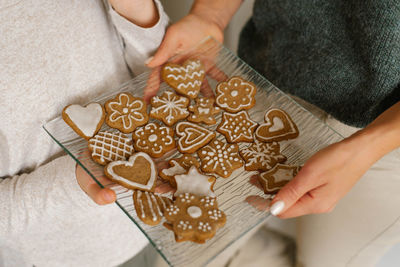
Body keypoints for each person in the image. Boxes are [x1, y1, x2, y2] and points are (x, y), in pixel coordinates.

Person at [146, 0, 400, 266]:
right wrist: (210, 15)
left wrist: (369, 146)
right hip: (266, 88)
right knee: (186, 249)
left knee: (323, 260)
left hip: (382, 136)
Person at [0, 0, 168, 266]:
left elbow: (155, 75)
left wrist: (140, 15)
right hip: (55, 255)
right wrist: (71, 181)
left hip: (143, 223)